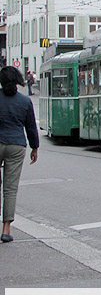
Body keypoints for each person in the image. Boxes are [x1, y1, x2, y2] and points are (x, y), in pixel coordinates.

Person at [0, 66, 39, 243]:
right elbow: (31, 127)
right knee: (10, 188)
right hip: (16, 145)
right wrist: (35, 148)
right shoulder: (25, 101)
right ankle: (6, 229)